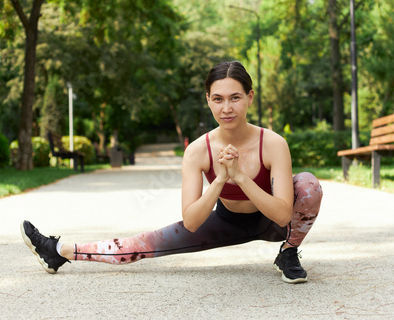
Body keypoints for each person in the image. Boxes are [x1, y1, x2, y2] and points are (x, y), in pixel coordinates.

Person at [21, 60, 323, 284]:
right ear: (208, 100)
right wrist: (221, 179)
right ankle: (57, 250)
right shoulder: (197, 151)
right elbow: (191, 221)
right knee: (142, 244)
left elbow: (283, 215)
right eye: (218, 99)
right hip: (225, 222)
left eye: (235, 97)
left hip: (271, 223)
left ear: (250, 98)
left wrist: (242, 176)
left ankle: (288, 252)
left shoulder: (272, 143)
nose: (227, 108)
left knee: (308, 185)